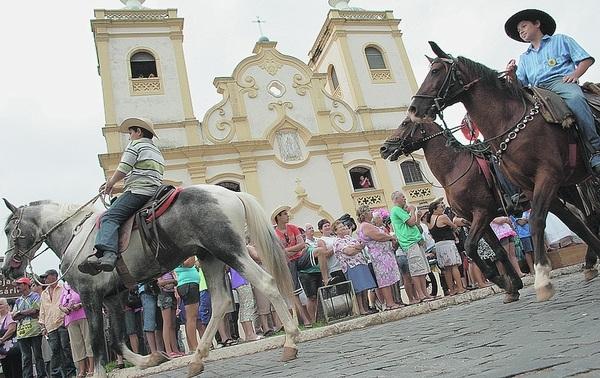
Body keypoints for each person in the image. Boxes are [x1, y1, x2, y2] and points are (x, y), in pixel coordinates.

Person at [505, 9, 600, 173]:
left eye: (524, 26)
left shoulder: (560, 40)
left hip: (560, 83)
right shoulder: (524, 58)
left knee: (576, 99)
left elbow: (586, 59)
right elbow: (519, 84)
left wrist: (575, 75)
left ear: (537, 24)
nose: (521, 31)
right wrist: (512, 75)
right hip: (536, 91)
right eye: (519, 30)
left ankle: (595, 149)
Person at [80, 117, 165, 274]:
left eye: (131, 132)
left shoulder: (135, 145)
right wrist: (118, 189)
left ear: (138, 132)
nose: (129, 136)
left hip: (139, 192)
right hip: (154, 191)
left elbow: (124, 168)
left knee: (109, 217)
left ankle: (108, 254)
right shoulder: (156, 151)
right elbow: (145, 176)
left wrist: (110, 183)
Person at [356, 205, 402, 310]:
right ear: (364, 214)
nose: (371, 213)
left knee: (389, 278)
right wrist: (390, 237)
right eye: (369, 211)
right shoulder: (366, 226)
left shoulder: (368, 225)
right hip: (379, 255)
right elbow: (377, 236)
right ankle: (389, 302)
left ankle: (392, 301)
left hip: (384, 254)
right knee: (384, 279)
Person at [271, 206, 312, 327]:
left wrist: (288, 251)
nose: (287, 216)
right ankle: (304, 319)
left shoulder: (293, 228)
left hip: (298, 258)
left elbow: (302, 244)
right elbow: (280, 252)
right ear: (278, 217)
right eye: (284, 214)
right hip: (288, 262)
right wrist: (292, 251)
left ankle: (308, 318)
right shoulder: (275, 233)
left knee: (314, 254)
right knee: (294, 291)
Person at [389, 191, 433, 302]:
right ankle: (420, 294)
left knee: (422, 269)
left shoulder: (401, 210)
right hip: (409, 242)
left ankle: (425, 293)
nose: (405, 198)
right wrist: (412, 211)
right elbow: (411, 222)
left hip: (415, 240)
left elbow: (415, 225)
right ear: (396, 199)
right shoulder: (396, 210)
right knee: (416, 269)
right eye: (402, 197)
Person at [332, 220, 377, 315]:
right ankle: (360, 309)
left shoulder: (349, 238)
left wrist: (356, 248)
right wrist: (357, 248)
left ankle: (366, 307)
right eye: (340, 227)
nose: (343, 228)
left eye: (343, 226)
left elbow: (361, 246)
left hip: (361, 263)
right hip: (351, 266)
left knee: (365, 287)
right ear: (335, 231)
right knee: (358, 289)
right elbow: (349, 252)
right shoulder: (337, 242)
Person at [39, 270, 76, 378]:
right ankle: (57, 375)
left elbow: (68, 301)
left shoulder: (63, 288)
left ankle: (71, 373)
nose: (45, 279)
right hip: (50, 325)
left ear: (54, 276)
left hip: (62, 321)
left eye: (47, 276)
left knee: (66, 348)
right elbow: (43, 310)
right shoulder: (44, 293)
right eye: (44, 277)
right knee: (55, 350)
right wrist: (42, 326)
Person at [426, 201, 466, 296]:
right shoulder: (443, 217)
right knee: (454, 266)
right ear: (434, 209)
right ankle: (460, 287)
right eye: (440, 207)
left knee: (446, 268)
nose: (442, 208)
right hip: (447, 243)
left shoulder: (430, 220)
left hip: (439, 245)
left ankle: (451, 289)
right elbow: (453, 226)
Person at [12, 277, 46, 378]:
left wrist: (20, 313)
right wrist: (27, 312)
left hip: (35, 330)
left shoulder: (35, 296)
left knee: (38, 355)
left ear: (26, 285)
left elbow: (36, 310)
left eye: (20, 284)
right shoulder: (18, 300)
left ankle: (41, 375)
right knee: (26, 357)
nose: (17, 287)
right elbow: (14, 316)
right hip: (22, 332)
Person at [58, 282, 94, 377]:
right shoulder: (65, 288)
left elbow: (89, 297)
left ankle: (92, 368)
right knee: (76, 345)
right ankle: (82, 370)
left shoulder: (80, 283)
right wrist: (64, 309)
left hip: (83, 315)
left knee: (88, 341)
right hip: (70, 318)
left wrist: (80, 304)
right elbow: (60, 304)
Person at [174, 256, 200, 353]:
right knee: (192, 318)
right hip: (188, 283)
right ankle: (194, 346)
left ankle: (192, 345)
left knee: (190, 318)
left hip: (185, 283)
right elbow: (190, 263)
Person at [157, 271, 181, 358]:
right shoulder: (159, 270)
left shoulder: (171, 269)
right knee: (167, 323)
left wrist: (171, 282)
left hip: (171, 293)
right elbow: (160, 282)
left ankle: (175, 349)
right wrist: (171, 281)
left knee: (173, 324)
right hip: (164, 294)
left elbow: (176, 281)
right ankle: (168, 350)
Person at [0, 298, 22, 378]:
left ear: (6, 306)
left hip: (12, 348)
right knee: (6, 370)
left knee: (16, 370)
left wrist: (2, 339)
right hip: (2, 351)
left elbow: (12, 329)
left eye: (1, 304)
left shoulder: (10, 315)